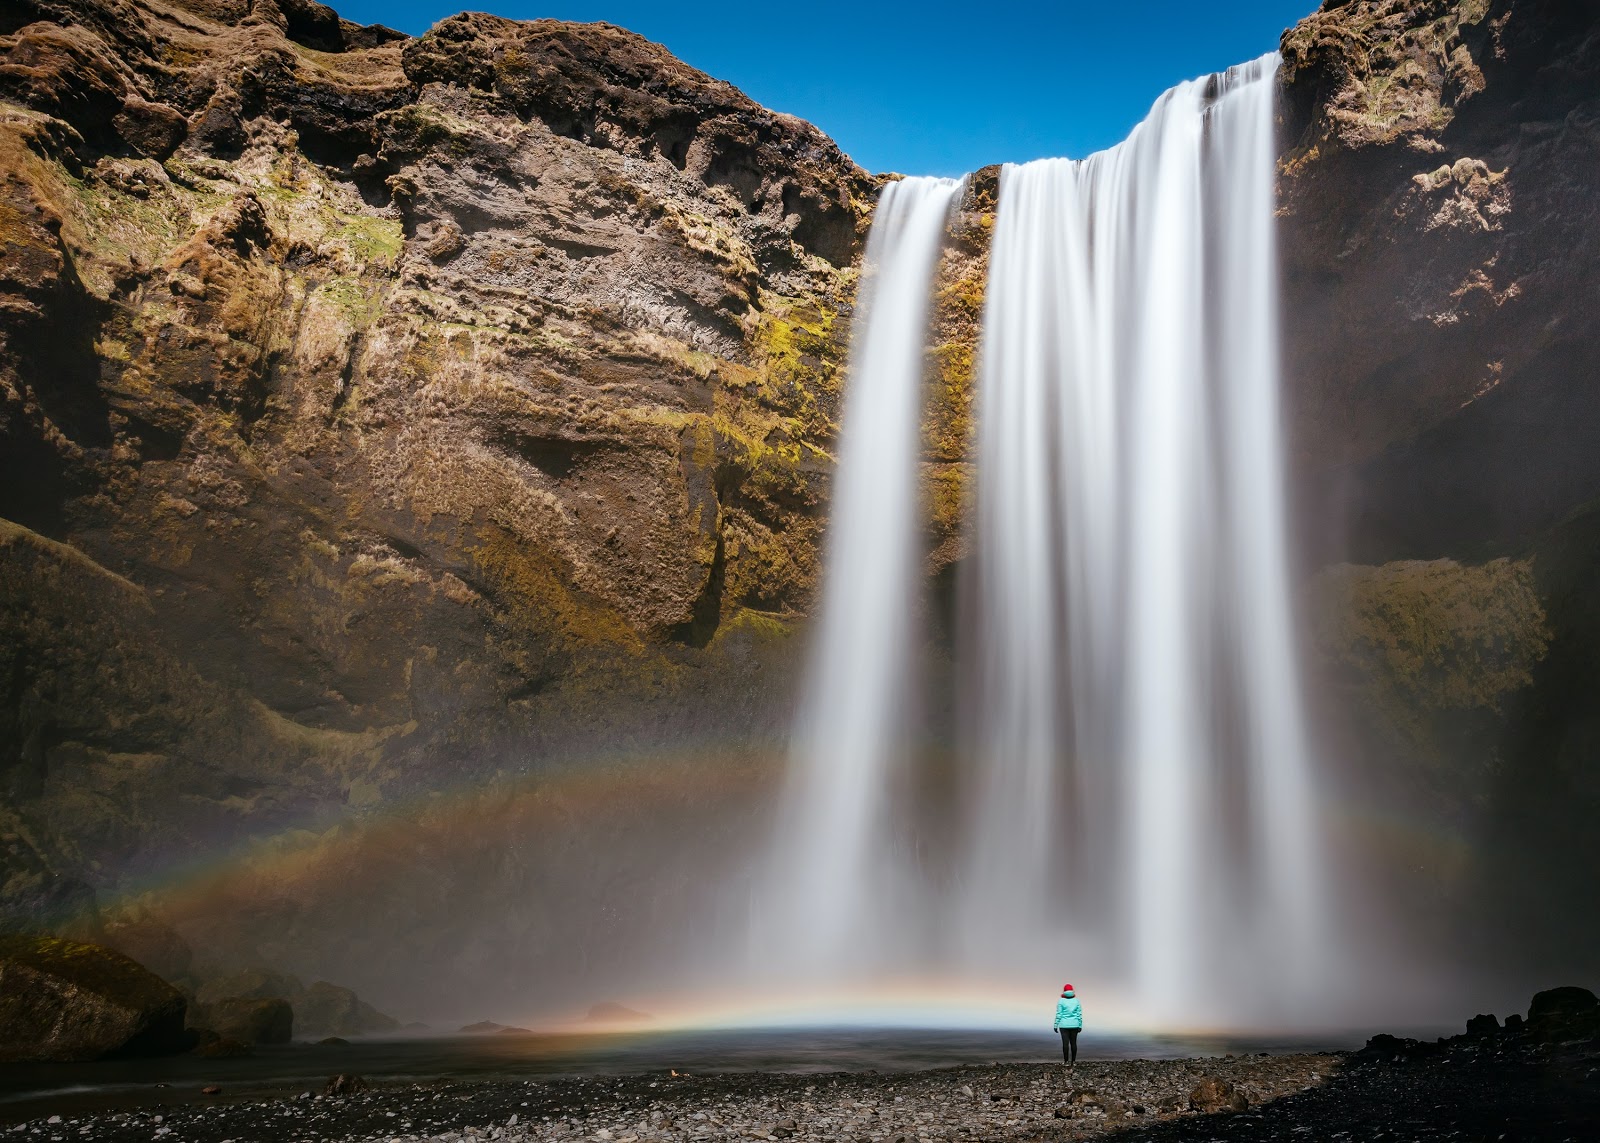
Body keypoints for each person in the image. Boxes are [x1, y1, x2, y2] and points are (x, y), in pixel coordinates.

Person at [1053, 983, 1082, 1066]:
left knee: (1065, 1044)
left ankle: (1066, 1062)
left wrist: (1055, 1025)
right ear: (1072, 991)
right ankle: (1074, 1062)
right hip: (1075, 1025)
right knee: (1074, 1043)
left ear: (1064, 991)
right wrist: (1080, 1025)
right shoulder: (1076, 1001)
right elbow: (1079, 1014)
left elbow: (1059, 1014)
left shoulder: (1061, 1001)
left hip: (1064, 1025)